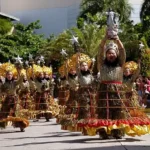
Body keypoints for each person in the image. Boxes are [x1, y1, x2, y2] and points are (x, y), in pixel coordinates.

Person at [78, 33, 150, 139]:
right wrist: (104, 39)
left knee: (118, 111)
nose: (111, 55)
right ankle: (104, 132)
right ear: (106, 55)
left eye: (113, 53)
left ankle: (117, 132)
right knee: (103, 111)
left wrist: (117, 40)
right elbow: (100, 50)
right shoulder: (101, 64)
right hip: (104, 90)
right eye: (109, 53)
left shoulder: (120, 63)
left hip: (118, 91)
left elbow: (122, 52)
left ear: (116, 55)